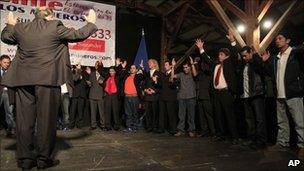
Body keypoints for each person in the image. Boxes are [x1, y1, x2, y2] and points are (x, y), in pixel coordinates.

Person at [0, 7, 97, 170]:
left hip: (23, 80)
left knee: (24, 121)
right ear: (50, 16)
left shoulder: (21, 28)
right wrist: (91, 22)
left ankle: (25, 159)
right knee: (46, 120)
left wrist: (10, 24)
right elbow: (77, 35)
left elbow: (5, 37)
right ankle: (43, 159)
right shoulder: (55, 26)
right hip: (47, 80)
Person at [262, 33, 304, 159]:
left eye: (280, 39)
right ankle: (282, 143)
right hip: (279, 94)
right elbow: (270, 74)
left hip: (293, 93)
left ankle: (302, 146)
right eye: (276, 39)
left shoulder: (294, 53)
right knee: (282, 121)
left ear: (288, 40)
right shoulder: (276, 57)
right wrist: (266, 62)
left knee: (299, 122)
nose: (277, 41)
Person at [195, 30, 239, 144]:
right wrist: (201, 48)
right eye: (219, 54)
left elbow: (234, 54)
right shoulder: (215, 64)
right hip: (216, 93)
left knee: (229, 115)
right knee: (218, 115)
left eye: (221, 55)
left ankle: (234, 137)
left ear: (226, 56)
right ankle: (220, 135)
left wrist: (232, 41)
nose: (219, 56)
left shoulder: (230, 63)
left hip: (226, 93)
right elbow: (207, 59)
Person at [239, 46, 267, 149]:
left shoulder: (255, 62)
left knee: (260, 119)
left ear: (250, 53)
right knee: (249, 119)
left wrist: (255, 55)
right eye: (243, 56)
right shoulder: (244, 65)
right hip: (246, 96)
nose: (244, 58)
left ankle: (261, 141)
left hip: (256, 94)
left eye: (246, 55)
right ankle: (252, 139)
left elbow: (261, 69)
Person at [171, 57, 198, 137]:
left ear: (189, 67)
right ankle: (181, 130)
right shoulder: (181, 74)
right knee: (181, 115)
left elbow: (195, 74)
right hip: (182, 97)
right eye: (184, 67)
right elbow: (173, 77)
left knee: (191, 115)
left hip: (191, 97)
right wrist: (173, 67)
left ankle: (191, 131)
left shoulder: (192, 74)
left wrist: (192, 64)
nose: (185, 69)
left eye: (186, 67)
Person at [121, 64, 144, 132]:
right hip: (127, 97)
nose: (132, 69)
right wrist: (123, 67)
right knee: (128, 113)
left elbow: (143, 76)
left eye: (133, 68)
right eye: (131, 68)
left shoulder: (138, 76)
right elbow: (121, 75)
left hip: (134, 97)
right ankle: (129, 127)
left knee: (135, 113)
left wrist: (141, 69)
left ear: (136, 70)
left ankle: (135, 127)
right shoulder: (126, 76)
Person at [158, 60, 178, 134]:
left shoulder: (173, 74)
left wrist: (173, 67)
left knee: (171, 114)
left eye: (166, 65)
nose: (165, 66)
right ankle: (161, 128)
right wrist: (155, 81)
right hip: (162, 96)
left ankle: (173, 129)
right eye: (164, 65)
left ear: (170, 66)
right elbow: (160, 85)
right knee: (162, 114)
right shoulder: (163, 75)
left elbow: (173, 84)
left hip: (170, 97)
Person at [143, 59, 161, 132]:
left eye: (150, 63)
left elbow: (160, 85)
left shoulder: (159, 73)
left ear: (155, 64)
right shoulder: (147, 73)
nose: (149, 64)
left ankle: (155, 127)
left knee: (154, 112)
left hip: (154, 96)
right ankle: (149, 127)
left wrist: (155, 91)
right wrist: (145, 90)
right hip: (147, 96)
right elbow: (143, 84)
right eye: (148, 63)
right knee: (147, 113)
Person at [0, 55, 16, 137]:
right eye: (4, 62)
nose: (6, 64)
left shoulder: (12, 72)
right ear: (0, 62)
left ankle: (11, 129)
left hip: (8, 94)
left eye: (8, 62)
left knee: (9, 113)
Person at [88, 60, 106, 130]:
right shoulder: (92, 74)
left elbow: (105, 84)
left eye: (98, 65)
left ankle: (103, 125)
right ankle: (93, 125)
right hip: (92, 95)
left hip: (100, 95)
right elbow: (90, 84)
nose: (96, 66)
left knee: (101, 112)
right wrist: (89, 83)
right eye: (95, 65)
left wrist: (103, 83)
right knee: (93, 112)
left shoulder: (103, 74)